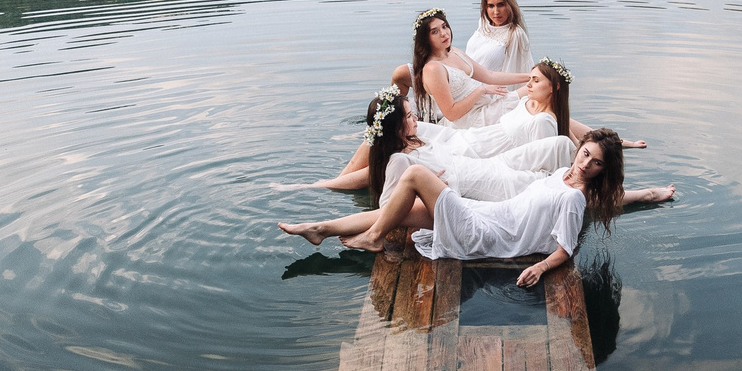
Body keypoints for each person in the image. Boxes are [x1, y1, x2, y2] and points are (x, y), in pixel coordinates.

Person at [280, 130, 673, 285]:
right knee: (408, 210)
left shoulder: (573, 198)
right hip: (484, 216)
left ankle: (372, 238)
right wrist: (655, 192)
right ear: (579, 149)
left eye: (596, 162)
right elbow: (623, 197)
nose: (585, 163)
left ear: (603, 170)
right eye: (585, 153)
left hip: (483, 234)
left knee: (415, 175)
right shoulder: (562, 175)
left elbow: (566, 249)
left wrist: (538, 266)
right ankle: (322, 227)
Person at [319, 60, 643, 186]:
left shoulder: (545, 122)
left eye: (535, 81)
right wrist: (617, 142)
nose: (528, 84)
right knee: (387, 133)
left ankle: (332, 185)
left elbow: (539, 158)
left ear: (554, 88)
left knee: (402, 153)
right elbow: (570, 122)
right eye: (529, 79)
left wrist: (613, 145)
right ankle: (342, 176)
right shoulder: (528, 100)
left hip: (475, 155)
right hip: (464, 138)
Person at [406, 8, 524, 128]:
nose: (444, 33)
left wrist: (529, 77)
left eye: (444, 26)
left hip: (486, 109)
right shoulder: (433, 69)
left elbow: (490, 76)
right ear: (425, 39)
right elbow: (451, 114)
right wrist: (481, 90)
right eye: (434, 32)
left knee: (532, 90)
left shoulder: (454, 52)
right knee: (527, 94)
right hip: (471, 121)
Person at [465, 0, 534, 81]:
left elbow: (517, 71)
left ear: (510, 5)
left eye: (501, 5)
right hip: (467, 85)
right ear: (485, 7)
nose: (496, 12)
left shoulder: (515, 34)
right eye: (491, 6)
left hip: (491, 92)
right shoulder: (482, 24)